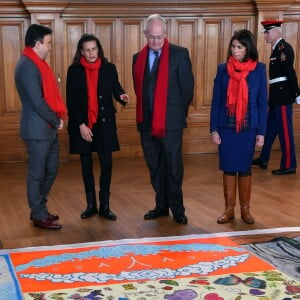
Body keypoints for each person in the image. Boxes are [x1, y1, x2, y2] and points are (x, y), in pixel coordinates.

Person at [132, 14, 194, 225]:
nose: (156, 41)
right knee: (155, 166)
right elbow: (139, 89)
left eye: (159, 37)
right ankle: (161, 206)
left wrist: (176, 113)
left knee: (173, 166)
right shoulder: (136, 58)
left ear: (165, 34)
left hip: (171, 122)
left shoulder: (179, 54)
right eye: (152, 37)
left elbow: (187, 89)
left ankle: (177, 208)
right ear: (145, 34)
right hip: (147, 122)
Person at [66, 34, 129, 220]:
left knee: (107, 164)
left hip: (104, 123)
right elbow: (72, 100)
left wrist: (122, 96)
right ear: (81, 52)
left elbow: (115, 87)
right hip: (83, 124)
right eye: (87, 49)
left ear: (98, 49)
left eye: (94, 49)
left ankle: (105, 206)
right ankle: (91, 205)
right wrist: (80, 125)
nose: (91, 53)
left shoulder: (109, 68)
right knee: (86, 164)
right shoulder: (74, 71)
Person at [210, 29, 268, 224]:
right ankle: (229, 210)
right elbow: (217, 101)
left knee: (244, 168)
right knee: (228, 167)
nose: (235, 51)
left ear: (248, 48)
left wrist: (261, 132)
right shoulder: (222, 69)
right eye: (233, 47)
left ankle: (245, 210)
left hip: (249, 127)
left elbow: (262, 102)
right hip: (226, 127)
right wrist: (214, 129)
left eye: (239, 47)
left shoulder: (259, 69)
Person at [15, 24, 67, 230]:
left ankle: (40, 208)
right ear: (38, 44)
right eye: (48, 43)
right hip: (37, 130)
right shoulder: (27, 65)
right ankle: (38, 213)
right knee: (37, 173)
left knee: (51, 169)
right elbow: (37, 101)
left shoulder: (37, 63)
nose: (50, 47)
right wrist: (56, 120)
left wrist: (54, 122)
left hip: (47, 129)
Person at [252, 20, 300, 175]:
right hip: (275, 97)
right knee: (270, 129)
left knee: (285, 131)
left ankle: (289, 164)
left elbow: (290, 73)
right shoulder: (276, 50)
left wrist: (297, 94)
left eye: (268, 32)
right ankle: (264, 158)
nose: (265, 35)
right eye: (265, 32)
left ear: (278, 32)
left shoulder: (283, 49)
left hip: (283, 96)